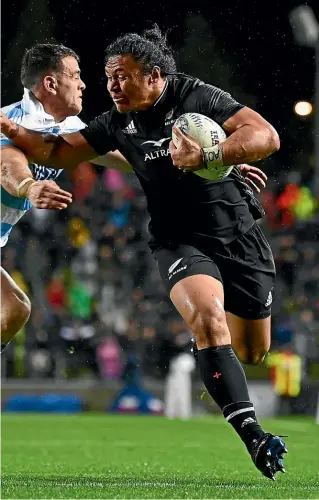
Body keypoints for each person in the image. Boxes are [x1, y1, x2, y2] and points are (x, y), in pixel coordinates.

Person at [0, 27, 287, 478]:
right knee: (208, 322)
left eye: (120, 76)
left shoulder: (197, 96)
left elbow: (266, 137)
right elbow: (45, 153)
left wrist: (219, 153)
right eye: (103, 76)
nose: (108, 85)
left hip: (239, 237)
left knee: (253, 353)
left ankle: (220, 362)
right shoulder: (114, 121)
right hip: (178, 239)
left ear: (153, 76)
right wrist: (13, 135)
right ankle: (254, 435)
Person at [0, 43, 131, 353]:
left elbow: (131, 156)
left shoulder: (70, 127)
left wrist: (210, 162)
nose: (83, 84)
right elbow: (8, 166)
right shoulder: (12, 122)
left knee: (15, 309)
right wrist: (30, 187)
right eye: (75, 75)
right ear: (50, 83)